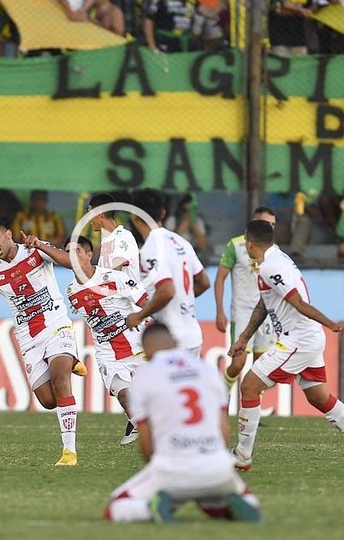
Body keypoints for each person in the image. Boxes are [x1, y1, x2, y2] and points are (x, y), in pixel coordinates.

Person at [230, 219, 344, 473]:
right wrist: (244, 338)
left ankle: (243, 455)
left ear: (250, 244)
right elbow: (265, 304)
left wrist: (331, 323)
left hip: (299, 339)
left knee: (249, 386)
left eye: (246, 244)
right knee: (318, 397)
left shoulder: (271, 267)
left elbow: (298, 303)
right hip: (304, 337)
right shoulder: (275, 261)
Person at [0, 220, 85, 466]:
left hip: (56, 325)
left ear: (8, 234)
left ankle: (69, 452)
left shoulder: (34, 249)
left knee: (60, 378)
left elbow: (70, 263)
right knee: (48, 400)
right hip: (29, 338)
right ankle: (72, 360)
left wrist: (42, 247)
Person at [104, 323, 262, 524]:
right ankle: (221, 503)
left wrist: (162, 471)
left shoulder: (145, 376)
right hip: (216, 466)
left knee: (116, 507)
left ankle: (152, 508)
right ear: (176, 343)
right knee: (243, 498)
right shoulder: (207, 370)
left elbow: (146, 444)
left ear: (145, 351)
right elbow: (223, 432)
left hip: (172, 469)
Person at [65, 236, 148, 445]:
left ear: (89, 254)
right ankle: (141, 425)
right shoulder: (71, 291)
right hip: (107, 353)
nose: (71, 257)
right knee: (124, 394)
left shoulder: (114, 278)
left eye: (76, 252)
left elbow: (145, 301)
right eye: (67, 253)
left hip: (136, 345)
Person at [126, 188, 210, 357]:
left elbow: (167, 291)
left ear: (134, 217)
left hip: (169, 340)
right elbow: (204, 282)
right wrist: (181, 299)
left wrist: (139, 316)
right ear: (163, 213)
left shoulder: (151, 247)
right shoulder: (181, 241)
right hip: (193, 337)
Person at [216, 207, 277, 392]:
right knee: (238, 363)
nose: (271, 228)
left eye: (274, 225)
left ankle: (251, 416)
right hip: (242, 311)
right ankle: (221, 396)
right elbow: (220, 278)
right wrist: (220, 310)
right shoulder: (235, 245)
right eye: (268, 224)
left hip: (265, 312)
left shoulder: (274, 250)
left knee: (261, 368)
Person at [87, 192, 140, 282]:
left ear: (100, 215)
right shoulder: (106, 240)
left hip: (124, 296)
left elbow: (117, 269)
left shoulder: (123, 236)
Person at [163, 194, 209, 261]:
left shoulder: (198, 222)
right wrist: (182, 227)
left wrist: (195, 229)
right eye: (185, 210)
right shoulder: (172, 221)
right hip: (175, 256)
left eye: (191, 211)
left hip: (193, 257)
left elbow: (203, 246)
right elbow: (168, 244)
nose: (188, 214)